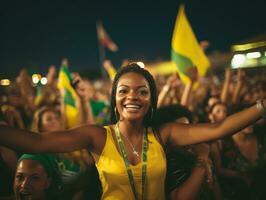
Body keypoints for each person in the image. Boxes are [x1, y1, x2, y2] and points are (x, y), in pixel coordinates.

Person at [0, 63, 265, 200]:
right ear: (114, 98)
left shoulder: (165, 134)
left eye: (142, 91)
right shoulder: (97, 136)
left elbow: (219, 128)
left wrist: (261, 106)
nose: (132, 97)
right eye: (123, 91)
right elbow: (35, 142)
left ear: (151, 99)